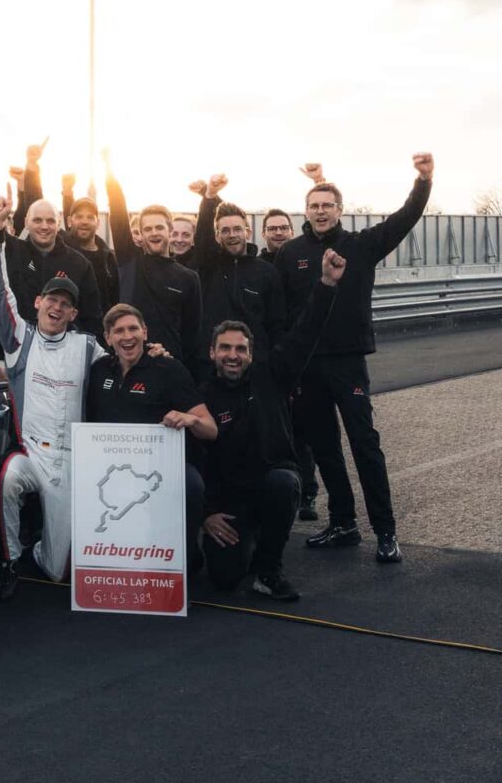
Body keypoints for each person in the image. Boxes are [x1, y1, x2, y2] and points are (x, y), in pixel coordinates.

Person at [276, 153, 434, 563]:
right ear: (305, 212)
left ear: (340, 210)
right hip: (307, 366)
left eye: (328, 205)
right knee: (325, 448)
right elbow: (280, 311)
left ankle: (385, 532)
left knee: (365, 445)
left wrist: (423, 180)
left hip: (347, 362)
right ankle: (343, 523)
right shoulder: (290, 253)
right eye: (314, 206)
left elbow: (406, 217)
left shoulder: (362, 244)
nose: (321, 211)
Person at [0, 149, 107, 599]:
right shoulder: (20, 340)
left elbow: (123, 373)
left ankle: (40, 553)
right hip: (31, 453)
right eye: (51, 299)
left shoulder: (89, 347)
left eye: (65, 304)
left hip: (71, 461)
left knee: (57, 572)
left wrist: (152, 354)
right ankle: (8, 559)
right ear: (37, 302)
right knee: (8, 477)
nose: (56, 307)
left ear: (74, 313)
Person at [198, 249, 345, 602]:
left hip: (269, 485)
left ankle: (269, 569)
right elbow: (194, 461)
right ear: (213, 353)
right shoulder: (200, 396)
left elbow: (306, 332)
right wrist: (206, 514)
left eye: (240, 349)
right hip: (230, 501)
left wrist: (326, 284)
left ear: (251, 353)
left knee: (283, 482)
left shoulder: (273, 376)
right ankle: (247, 540)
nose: (233, 355)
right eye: (225, 348)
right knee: (224, 579)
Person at [86, 304, 218, 571]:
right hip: (110, 469)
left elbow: (210, 428)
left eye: (133, 328)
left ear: (145, 332)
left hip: (160, 468)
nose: (127, 336)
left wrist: (190, 419)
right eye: (119, 331)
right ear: (108, 338)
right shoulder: (98, 370)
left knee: (191, 484)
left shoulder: (169, 369)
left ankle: (186, 553)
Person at [0, 164, 102, 337]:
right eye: (37, 220)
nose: (44, 226)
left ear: (58, 224)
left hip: (62, 350)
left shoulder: (79, 264)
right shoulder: (12, 251)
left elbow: (92, 317)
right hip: (19, 345)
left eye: (50, 221)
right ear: (26, 222)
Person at [105, 150, 203, 362]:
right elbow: (118, 214)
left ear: (170, 230)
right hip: (128, 361)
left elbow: (192, 334)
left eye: (159, 227)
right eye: (147, 229)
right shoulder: (129, 260)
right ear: (140, 233)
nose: (154, 233)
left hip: (169, 365)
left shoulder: (189, 278)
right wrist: (108, 172)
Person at [187, 174, 286, 377]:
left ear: (248, 232)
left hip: (255, 366)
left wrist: (275, 363)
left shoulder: (266, 272)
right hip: (211, 367)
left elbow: (276, 323)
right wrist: (209, 197)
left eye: (237, 229)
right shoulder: (208, 265)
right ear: (217, 236)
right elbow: (202, 234)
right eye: (225, 230)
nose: (231, 234)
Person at [62, 195, 120, 321]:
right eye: (79, 216)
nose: (84, 221)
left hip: (101, 334)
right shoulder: (60, 251)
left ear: (98, 222)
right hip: (67, 331)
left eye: (90, 217)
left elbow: (115, 300)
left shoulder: (109, 259)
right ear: (69, 221)